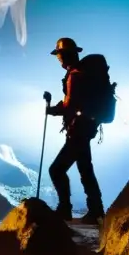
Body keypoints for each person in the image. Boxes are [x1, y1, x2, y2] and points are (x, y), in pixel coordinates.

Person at [45, 37, 104, 224]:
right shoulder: (85, 73)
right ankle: (96, 210)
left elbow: (70, 104)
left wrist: (52, 110)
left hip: (78, 130)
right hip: (86, 128)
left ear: (65, 55)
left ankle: (65, 209)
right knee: (86, 169)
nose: (58, 59)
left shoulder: (75, 75)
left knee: (56, 170)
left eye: (59, 55)